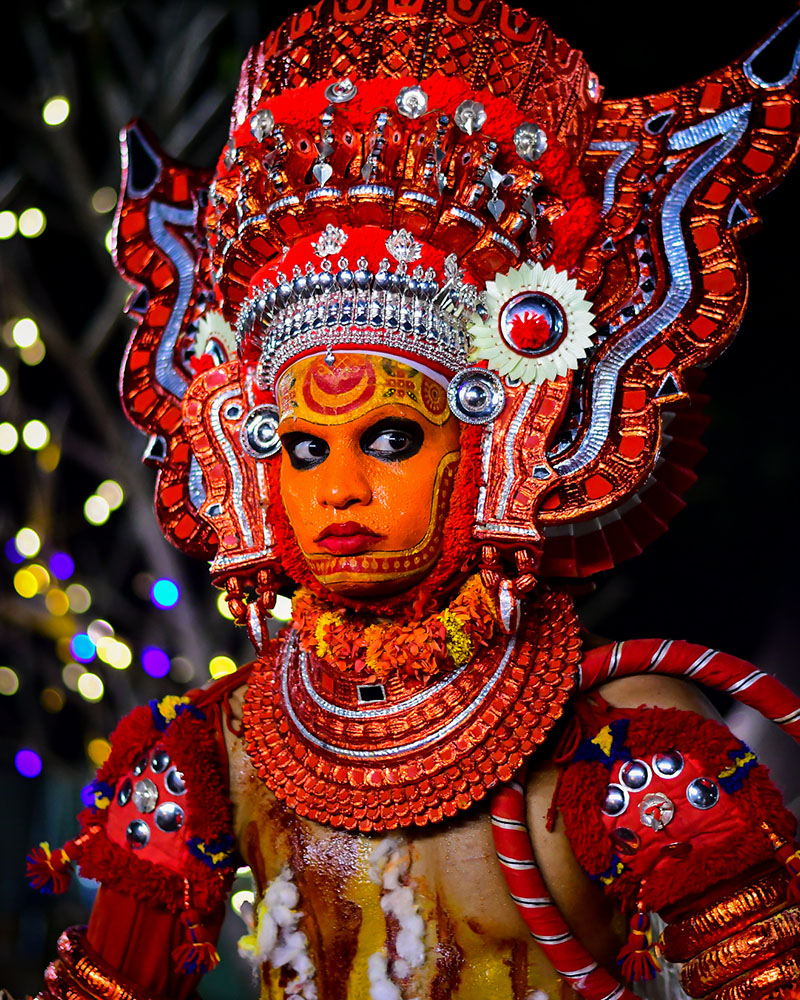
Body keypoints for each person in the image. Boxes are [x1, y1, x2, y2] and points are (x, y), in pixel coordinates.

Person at [24, 1, 800, 998]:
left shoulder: (620, 742)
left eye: (388, 438)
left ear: (496, 439)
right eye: (301, 448)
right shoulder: (213, 752)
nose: (338, 490)